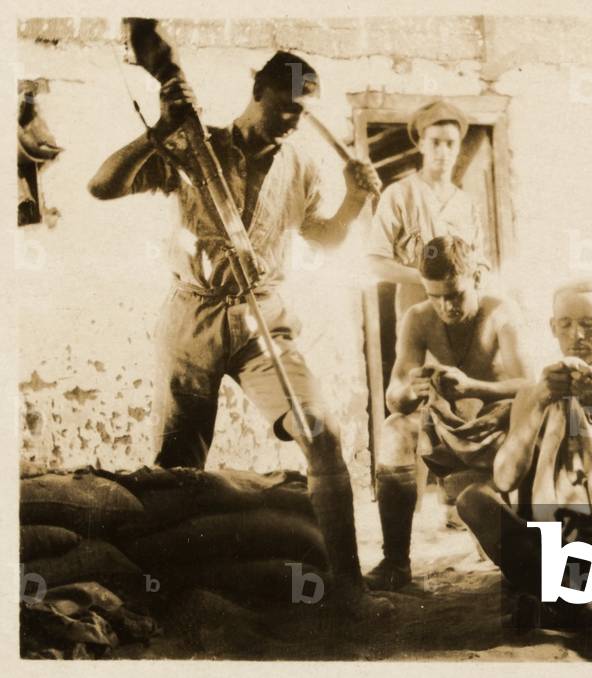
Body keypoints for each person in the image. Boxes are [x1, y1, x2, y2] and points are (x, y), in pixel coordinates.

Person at [87, 52, 390, 618]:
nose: (292, 123)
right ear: (258, 91)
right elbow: (102, 186)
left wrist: (353, 198)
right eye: (284, 109)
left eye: (302, 113)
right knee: (179, 465)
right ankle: (168, 593)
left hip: (264, 321)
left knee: (321, 433)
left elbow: (323, 238)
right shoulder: (195, 148)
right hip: (192, 316)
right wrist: (159, 133)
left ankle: (349, 585)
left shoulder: (298, 164)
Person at [456, 279, 592, 659]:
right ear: (552, 327)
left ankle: (555, 602)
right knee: (473, 500)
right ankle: (591, 612)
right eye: (567, 324)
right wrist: (538, 402)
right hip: (555, 543)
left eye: (590, 323)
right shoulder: (534, 393)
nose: (578, 336)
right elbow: (505, 478)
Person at [367, 235, 530, 591]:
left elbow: (529, 386)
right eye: (435, 296)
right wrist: (412, 390)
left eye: (455, 295)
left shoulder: (501, 311)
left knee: (494, 542)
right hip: (450, 427)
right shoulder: (418, 318)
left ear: (477, 278)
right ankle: (396, 561)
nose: (447, 307)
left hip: (498, 427)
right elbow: (394, 396)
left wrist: (474, 387)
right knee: (395, 429)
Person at [366, 99, 487, 317]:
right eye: (435, 142)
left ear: (459, 146)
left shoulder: (466, 203)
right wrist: (426, 280)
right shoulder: (399, 194)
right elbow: (376, 262)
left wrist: (477, 277)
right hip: (417, 308)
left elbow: (480, 260)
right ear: (421, 144)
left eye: (450, 143)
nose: (443, 151)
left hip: (464, 310)